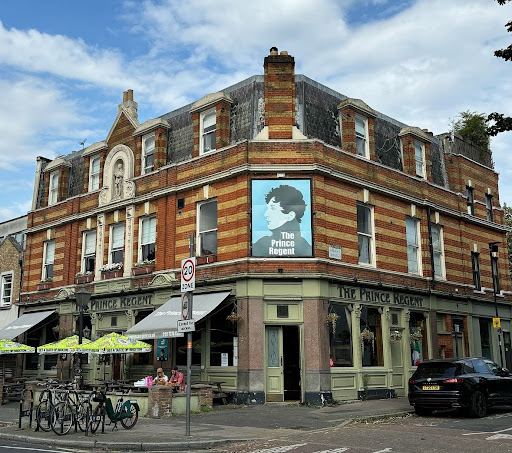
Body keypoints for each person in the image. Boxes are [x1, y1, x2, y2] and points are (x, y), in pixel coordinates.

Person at [252, 184, 312, 257]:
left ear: (290, 215)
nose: (266, 214)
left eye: (273, 208)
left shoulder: (261, 246)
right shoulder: (306, 249)